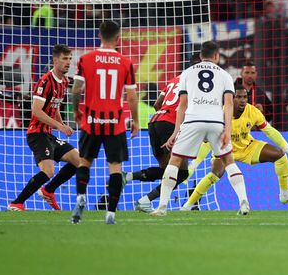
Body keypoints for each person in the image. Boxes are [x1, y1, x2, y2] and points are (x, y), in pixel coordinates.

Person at [150, 41, 248, 216]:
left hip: (193, 120)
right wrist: (227, 130)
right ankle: (243, 202)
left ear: (201, 55)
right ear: (217, 56)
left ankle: (162, 207)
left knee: (175, 161)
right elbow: (229, 103)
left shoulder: (186, 73)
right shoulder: (225, 75)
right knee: (228, 161)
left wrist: (175, 132)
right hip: (216, 122)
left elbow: (182, 105)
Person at [181, 84, 288, 210]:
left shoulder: (252, 111)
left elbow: (270, 131)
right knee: (215, 174)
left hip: (247, 147)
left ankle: (285, 193)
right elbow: (207, 143)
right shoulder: (219, 114)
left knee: (279, 155)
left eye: (245, 97)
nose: (242, 100)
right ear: (231, 98)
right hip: (224, 150)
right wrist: (194, 165)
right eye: (238, 97)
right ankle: (188, 205)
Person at [71, 21, 139, 224]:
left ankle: (81, 197)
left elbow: (76, 89)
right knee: (115, 167)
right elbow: (132, 96)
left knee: (84, 162)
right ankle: (111, 213)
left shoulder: (85, 59)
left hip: (91, 121)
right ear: (118, 39)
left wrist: (76, 110)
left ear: (99, 35)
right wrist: (135, 120)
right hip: (115, 123)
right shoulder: (125, 62)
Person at [123, 54, 201, 213]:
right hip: (171, 124)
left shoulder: (174, 80)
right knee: (181, 172)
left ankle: (129, 176)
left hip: (155, 122)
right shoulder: (196, 83)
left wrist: (164, 118)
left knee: (168, 170)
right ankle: (147, 201)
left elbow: (157, 104)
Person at [8, 45, 81, 211]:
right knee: (48, 172)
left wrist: (62, 125)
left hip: (48, 134)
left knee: (79, 161)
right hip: (37, 134)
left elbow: (54, 108)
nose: (68, 62)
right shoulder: (45, 81)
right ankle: (17, 203)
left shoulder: (65, 81)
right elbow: (36, 111)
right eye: (64, 59)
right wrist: (60, 127)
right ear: (55, 61)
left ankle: (48, 191)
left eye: (69, 59)